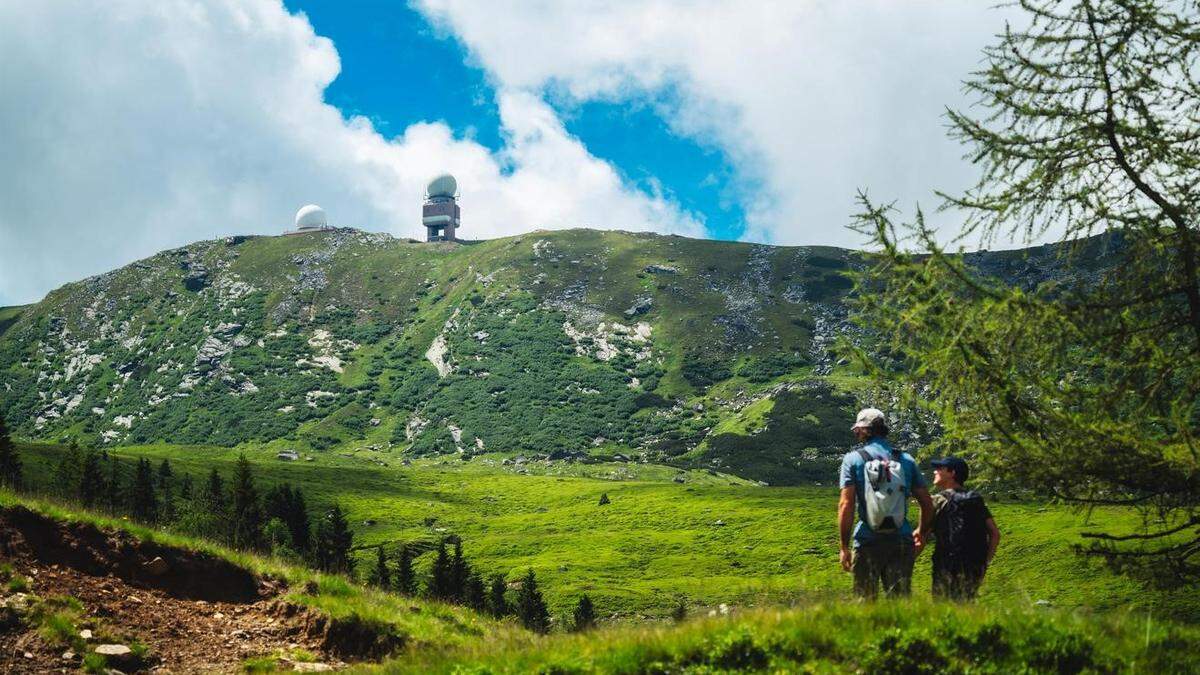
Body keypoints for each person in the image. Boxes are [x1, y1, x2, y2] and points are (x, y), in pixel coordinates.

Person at [837, 408, 934, 599]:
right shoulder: (906, 460)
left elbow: (846, 505)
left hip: (867, 539)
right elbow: (927, 503)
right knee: (899, 601)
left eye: (857, 429)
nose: (855, 432)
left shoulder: (853, 460)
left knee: (865, 600)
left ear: (866, 430)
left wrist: (844, 547)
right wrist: (922, 533)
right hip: (902, 539)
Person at [929, 456, 1000, 600]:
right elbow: (995, 534)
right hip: (973, 566)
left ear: (952, 473)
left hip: (945, 564)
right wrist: (984, 563)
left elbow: (922, 534)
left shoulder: (937, 501)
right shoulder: (975, 499)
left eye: (939, 469)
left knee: (942, 608)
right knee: (966, 606)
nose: (935, 472)